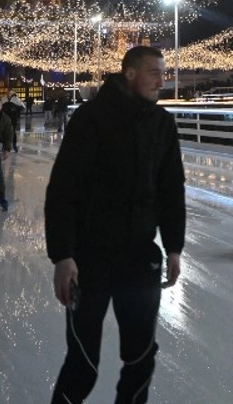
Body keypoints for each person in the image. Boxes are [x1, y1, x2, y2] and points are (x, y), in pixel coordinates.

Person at [45, 45, 186, 404]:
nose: (161, 80)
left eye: (163, 72)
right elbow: (63, 188)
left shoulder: (162, 122)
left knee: (140, 358)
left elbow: (171, 188)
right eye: (154, 72)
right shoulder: (91, 119)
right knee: (83, 363)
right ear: (131, 73)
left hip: (139, 258)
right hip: (89, 260)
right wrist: (63, 255)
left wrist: (173, 247)